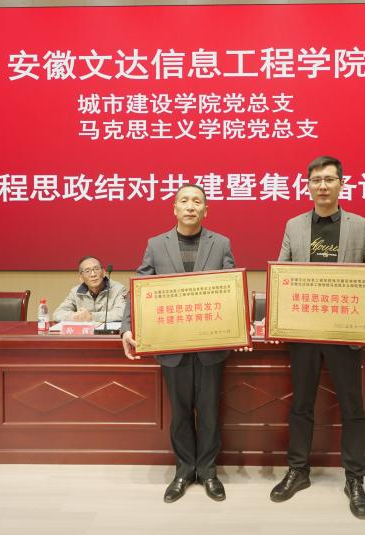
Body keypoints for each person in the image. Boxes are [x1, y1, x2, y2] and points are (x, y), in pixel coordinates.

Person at [269, 156, 365, 520]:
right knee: (301, 404)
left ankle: (355, 478)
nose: (322, 186)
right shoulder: (294, 225)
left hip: (344, 332)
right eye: (315, 180)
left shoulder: (360, 226)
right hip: (303, 332)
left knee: (353, 406)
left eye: (329, 179)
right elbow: (281, 273)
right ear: (308, 185)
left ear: (341, 184)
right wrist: (276, 320)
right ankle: (298, 470)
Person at [120, 184, 237, 504]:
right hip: (172, 347)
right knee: (181, 413)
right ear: (174, 208)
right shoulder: (156, 245)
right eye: (184, 201)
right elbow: (138, 288)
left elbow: (232, 289)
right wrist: (127, 328)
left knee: (210, 413)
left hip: (211, 346)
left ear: (205, 210)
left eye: (197, 201)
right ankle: (184, 471)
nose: (190, 206)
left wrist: (238, 329)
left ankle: (208, 472)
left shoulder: (221, 244)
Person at [52, 256, 127, 325]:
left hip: (108, 333)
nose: (93, 274)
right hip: (84, 333)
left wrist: (91, 316)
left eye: (96, 269)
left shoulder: (118, 289)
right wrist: (77, 316)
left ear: (104, 272)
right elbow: (57, 314)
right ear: (81, 278)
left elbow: (122, 313)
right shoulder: (75, 292)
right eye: (87, 271)